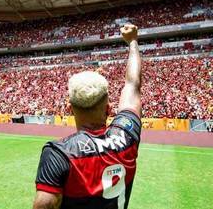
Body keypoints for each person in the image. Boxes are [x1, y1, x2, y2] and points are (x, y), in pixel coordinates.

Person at [32, 24, 142, 209]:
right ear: (108, 109)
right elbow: (133, 84)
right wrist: (132, 42)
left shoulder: (59, 153)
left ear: (69, 109)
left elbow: (45, 204)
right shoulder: (127, 135)